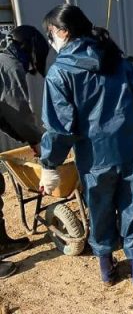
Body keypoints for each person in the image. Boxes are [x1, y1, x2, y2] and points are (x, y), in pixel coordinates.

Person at [39, 4, 133, 290]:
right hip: (129, 151)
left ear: (64, 32)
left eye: (51, 32)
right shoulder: (116, 60)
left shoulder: (59, 74)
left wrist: (49, 164)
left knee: (99, 210)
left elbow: (60, 128)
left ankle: (107, 272)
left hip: (94, 157)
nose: (51, 39)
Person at [0, 25, 49, 279]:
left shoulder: (3, 60)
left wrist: (29, 138)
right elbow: (18, 112)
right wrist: (37, 139)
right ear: (28, 49)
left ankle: (1, 243)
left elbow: (5, 118)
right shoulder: (9, 66)